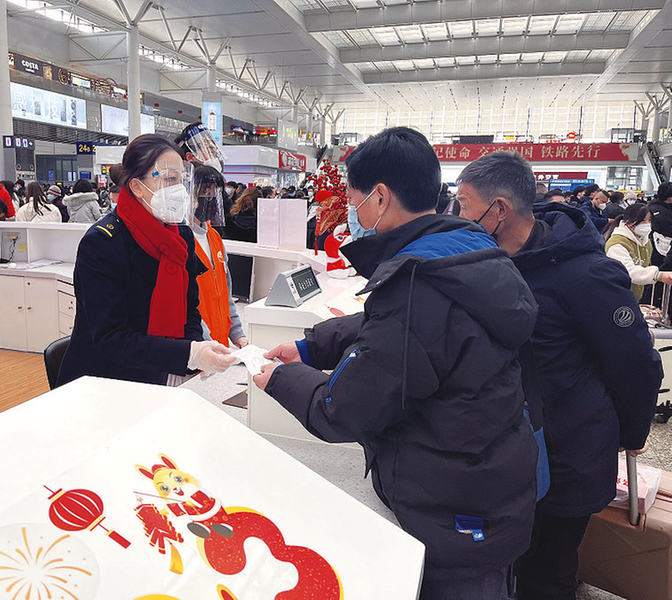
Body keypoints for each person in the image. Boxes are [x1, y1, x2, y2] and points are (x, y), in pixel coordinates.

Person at [253, 127, 539, 599]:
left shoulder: (417, 284)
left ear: (381, 198)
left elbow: (343, 408)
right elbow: (398, 328)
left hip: (449, 518)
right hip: (489, 485)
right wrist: (312, 347)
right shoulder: (465, 251)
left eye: (353, 199)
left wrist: (283, 378)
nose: (352, 212)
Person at [455, 151, 662, 600]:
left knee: (548, 570)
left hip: (569, 451)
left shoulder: (584, 273)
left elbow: (636, 363)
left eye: (465, 204)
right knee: (517, 558)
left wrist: (632, 432)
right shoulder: (490, 263)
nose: (458, 215)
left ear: (500, 209)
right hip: (511, 451)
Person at [57, 134, 234, 387]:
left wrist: (196, 349)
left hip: (160, 374)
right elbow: (110, 338)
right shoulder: (103, 244)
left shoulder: (181, 236)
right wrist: (188, 354)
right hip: (101, 382)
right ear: (137, 187)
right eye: (169, 179)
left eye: (182, 179)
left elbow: (189, 311)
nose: (179, 190)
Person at [190, 165, 248, 349]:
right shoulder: (181, 240)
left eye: (214, 193)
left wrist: (237, 334)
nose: (210, 199)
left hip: (220, 346)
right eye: (205, 192)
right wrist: (208, 344)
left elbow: (225, 293)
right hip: (199, 348)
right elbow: (186, 305)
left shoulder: (214, 238)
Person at [605, 203, 672, 300]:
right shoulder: (617, 244)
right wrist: (659, 275)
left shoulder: (645, 242)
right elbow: (628, 271)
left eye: (650, 220)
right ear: (629, 222)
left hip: (634, 296)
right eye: (643, 220)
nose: (647, 224)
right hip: (615, 296)